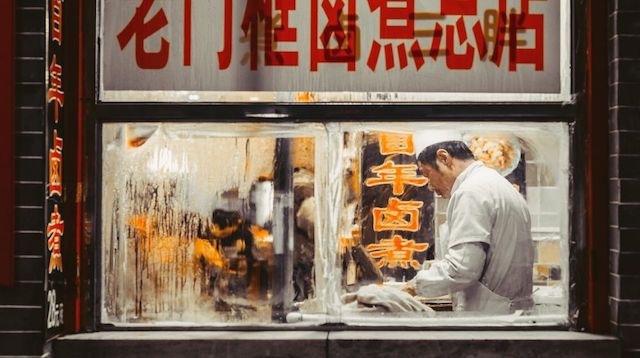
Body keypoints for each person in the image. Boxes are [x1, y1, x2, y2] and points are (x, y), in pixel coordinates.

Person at [405, 139, 534, 314]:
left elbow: (462, 269)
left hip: (492, 316)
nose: (429, 185)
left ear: (444, 158)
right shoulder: (496, 184)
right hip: (509, 312)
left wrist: (412, 287)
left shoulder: (471, 191)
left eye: (427, 174)